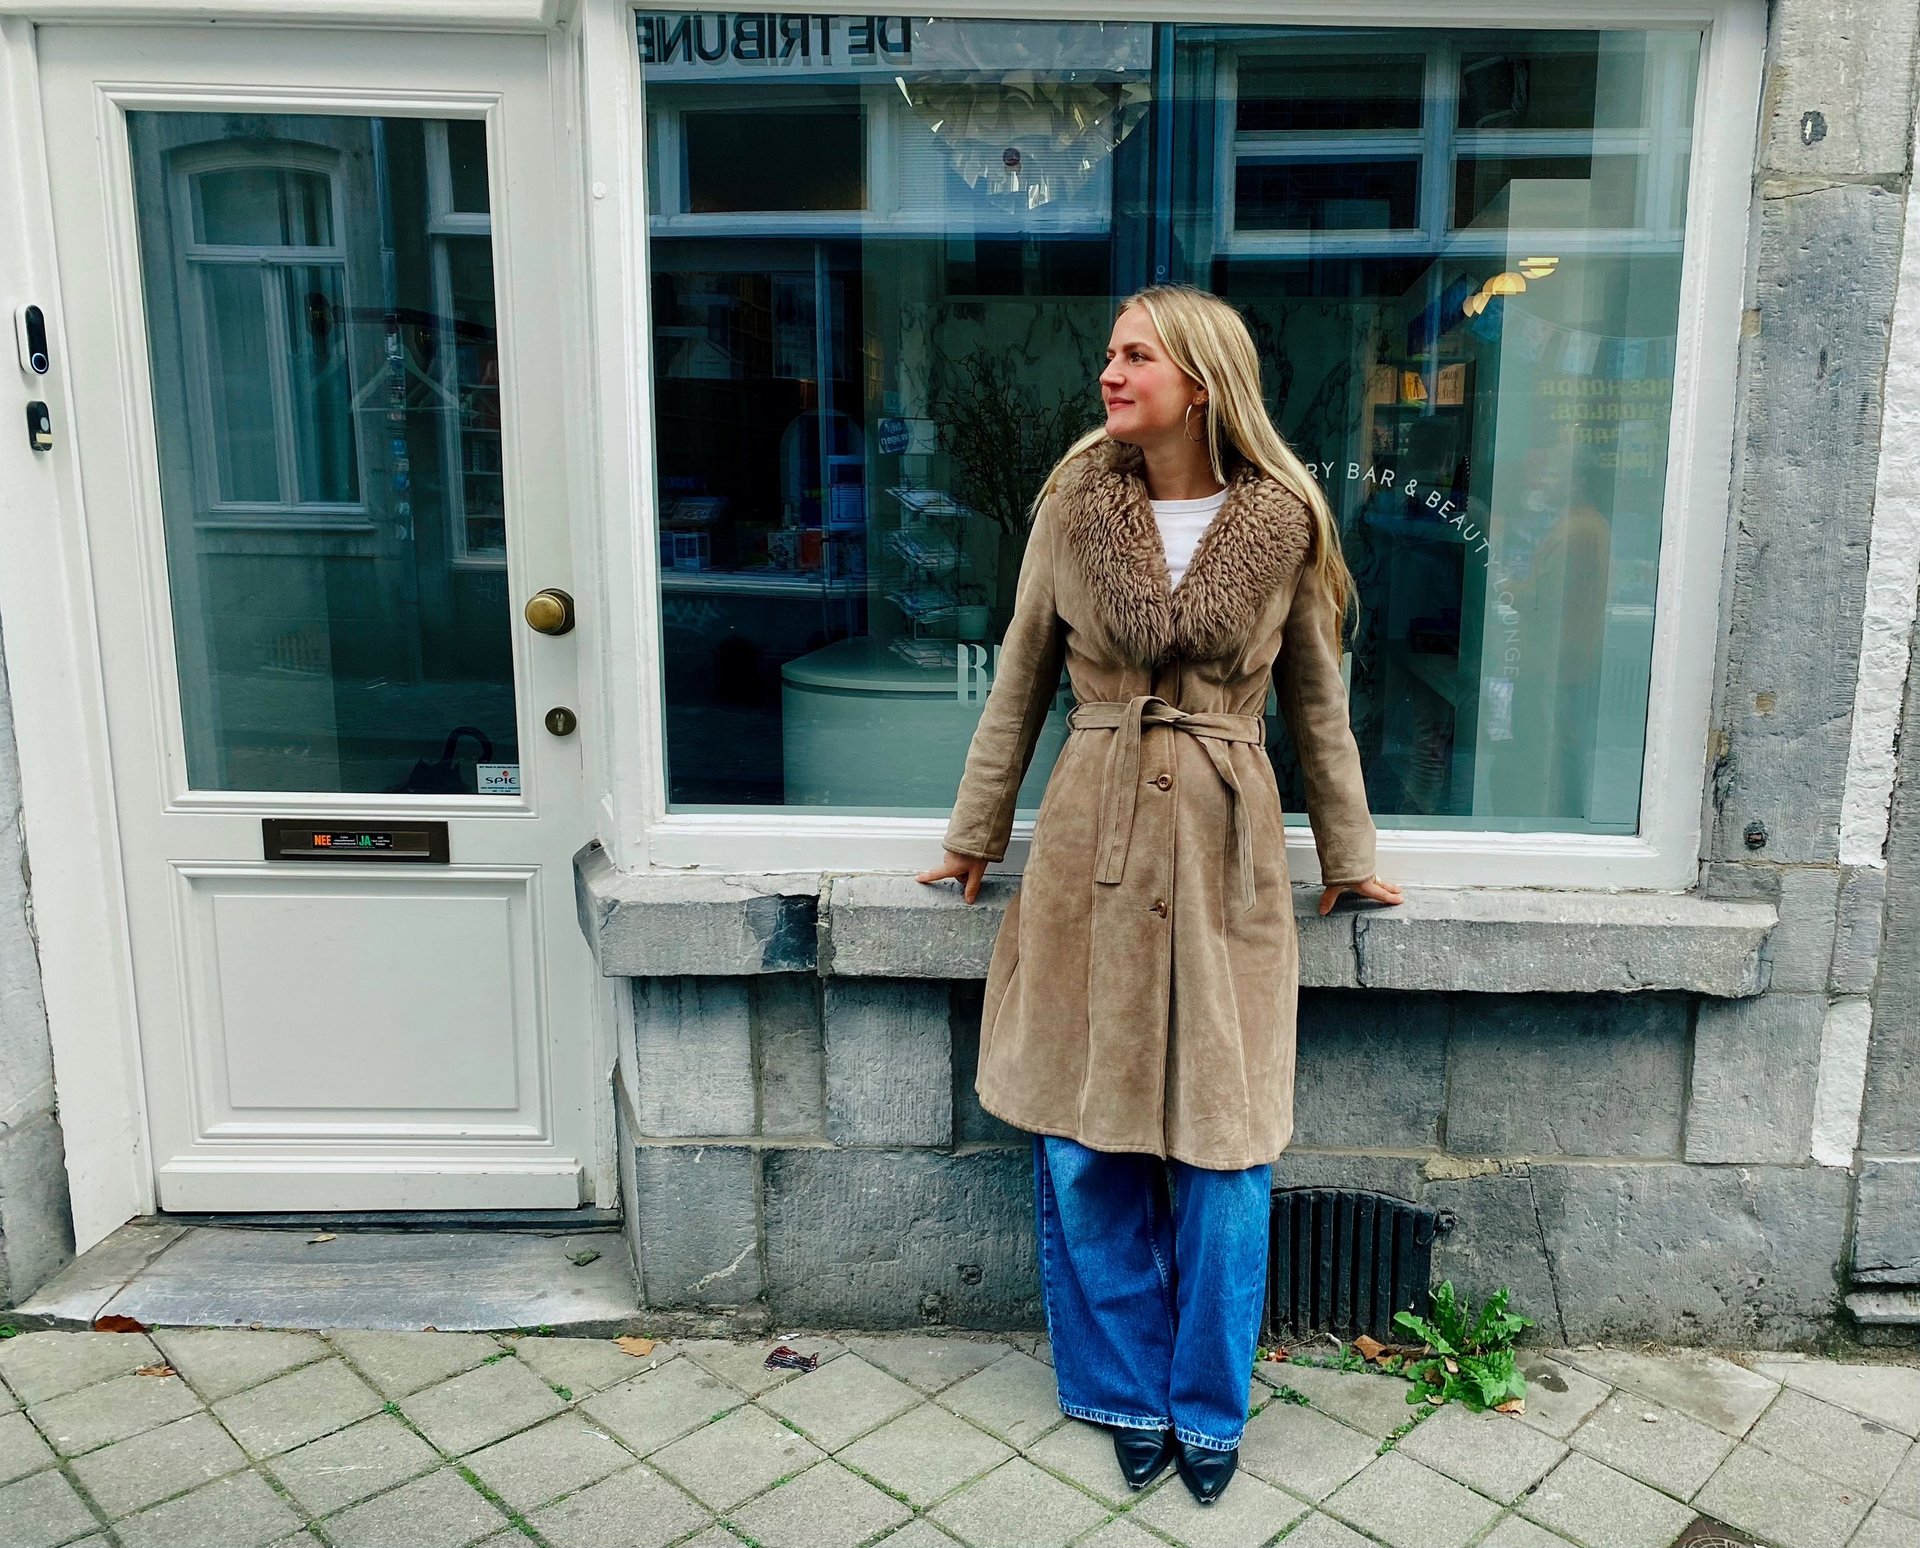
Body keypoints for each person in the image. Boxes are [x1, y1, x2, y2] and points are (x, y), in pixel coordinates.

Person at [915, 283, 1404, 1506]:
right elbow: (1022, 672)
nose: (1110, 373)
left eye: (1136, 354)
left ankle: (1208, 1407)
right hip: (1092, 834)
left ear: (1201, 377)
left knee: (1227, 1151)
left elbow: (1317, 704)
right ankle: (1120, 1392)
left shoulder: (1281, 518)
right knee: (1087, 1139)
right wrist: (976, 831)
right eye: (1108, 354)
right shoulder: (1074, 510)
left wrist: (1346, 853)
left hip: (1229, 848)